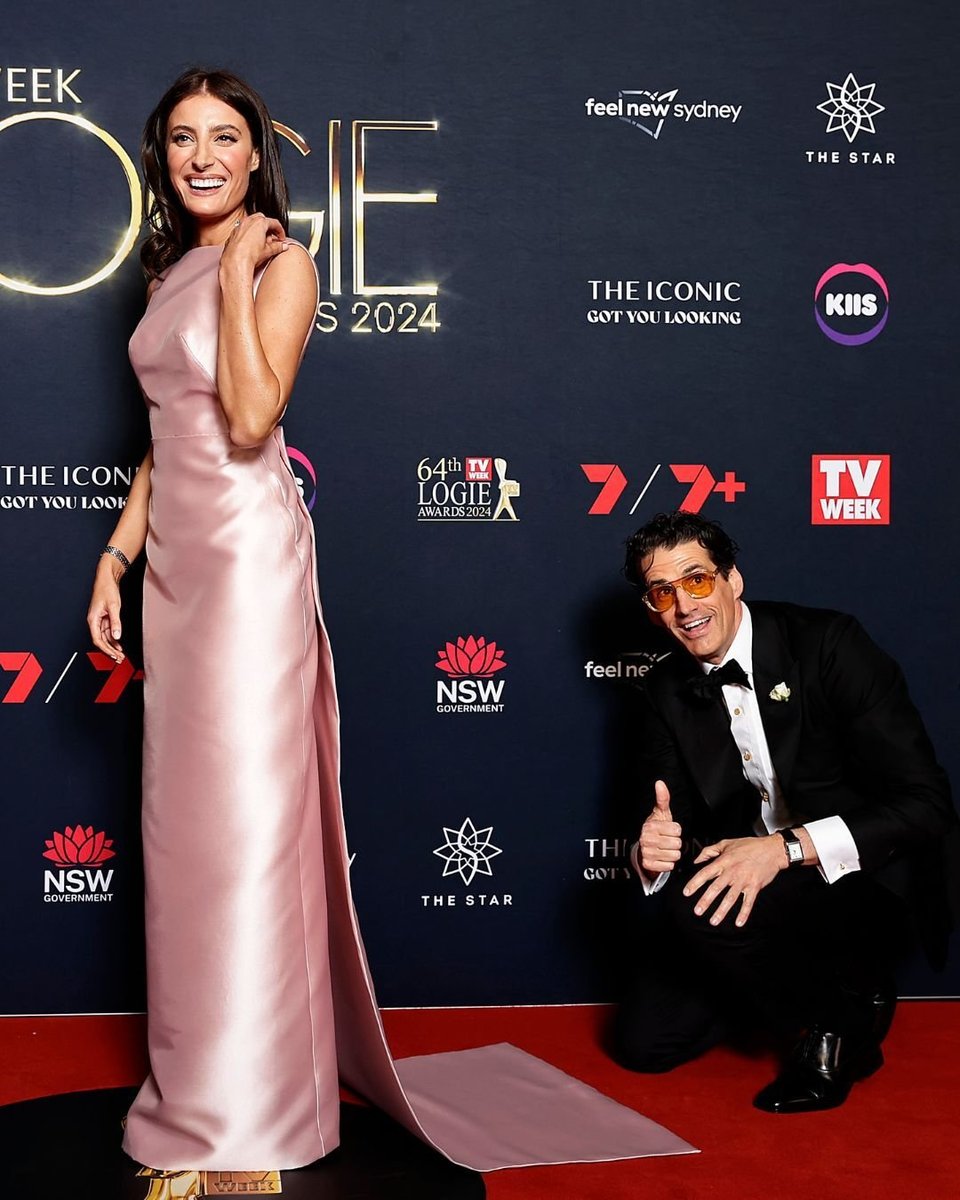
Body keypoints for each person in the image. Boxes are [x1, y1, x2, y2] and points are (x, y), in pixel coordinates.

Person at [86, 68, 691, 1178]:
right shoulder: (166, 268)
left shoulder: (280, 263)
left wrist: (232, 273)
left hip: (250, 572)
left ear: (257, 154)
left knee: (245, 833)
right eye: (182, 138)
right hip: (174, 571)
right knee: (184, 836)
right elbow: (166, 430)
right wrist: (117, 555)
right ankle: (198, 1075)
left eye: (226, 138)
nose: (202, 157)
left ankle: (255, 1109)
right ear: (161, 155)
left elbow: (253, 412)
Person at [611, 510, 958, 1112]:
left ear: (732, 580)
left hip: (860, 871)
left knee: (707, 915)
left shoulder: (829, 644)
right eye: (662, 591)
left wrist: (784, 847)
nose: (683, 605)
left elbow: (926, 804)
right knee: (645, 1043)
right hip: (764, 881)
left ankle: (842, 1018)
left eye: (696, 580)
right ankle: (796, 990)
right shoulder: (667, 685)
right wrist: (652, 850)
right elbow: (675, 815)